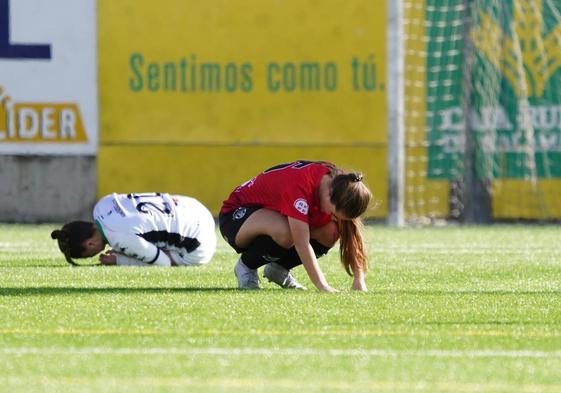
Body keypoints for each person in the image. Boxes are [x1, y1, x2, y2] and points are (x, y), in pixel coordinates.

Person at [219, 160, 372, 292]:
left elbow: (351, 233)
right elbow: (301, 243)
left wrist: (359, 279)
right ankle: (246, 266)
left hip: (268, 214)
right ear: (329, 195)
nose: (333, 218)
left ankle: (278, 269)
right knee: (286, 231)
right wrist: (323, 286)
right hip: (235, 217)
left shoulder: (342, 184)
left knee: (331, 231)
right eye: (333, 214)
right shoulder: (301, 187)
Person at [51, 192, 216, 267]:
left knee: (163, 257)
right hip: (192, 205)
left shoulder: (120, 238)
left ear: (90, 245)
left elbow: (163, 264)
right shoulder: (103, 204)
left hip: (200, 245)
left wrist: (121, 260)